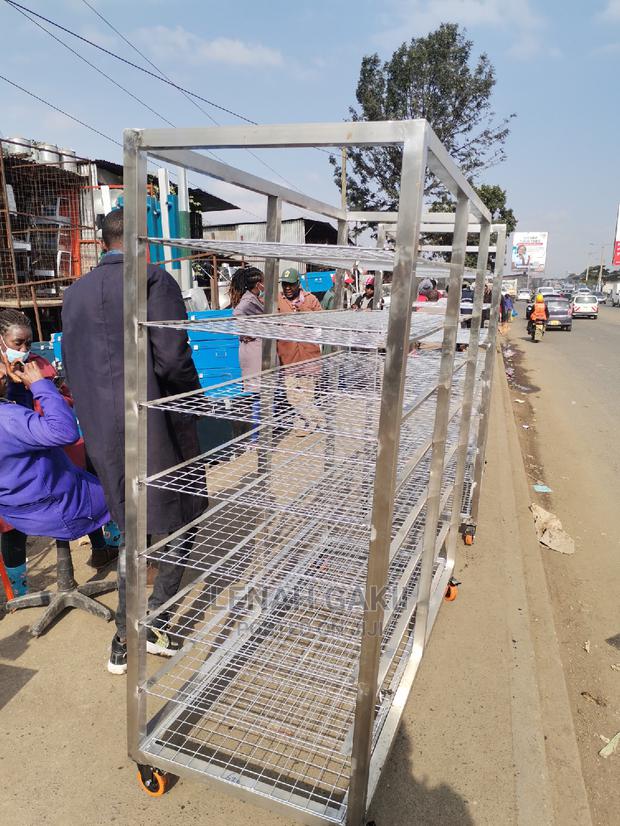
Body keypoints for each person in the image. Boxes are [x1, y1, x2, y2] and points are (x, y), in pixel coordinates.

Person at [61, 208, 205, 675]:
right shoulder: (152, 281)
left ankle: (124, 636)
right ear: (144, 240)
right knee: (182, 517)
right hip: (157, 424)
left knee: (132, 530)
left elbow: (75, 364)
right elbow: (172, 359)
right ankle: (156, 621)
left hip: (104, 431)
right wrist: (195, 402)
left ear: (104, 242)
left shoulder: (75, 293)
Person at [0, 310, 115, 597]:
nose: (24, 351)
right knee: (113, 491)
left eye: (29, 344)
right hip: (39, 474)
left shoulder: (36, 365)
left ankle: (101, 548)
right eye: (18, 343)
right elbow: (60, 428)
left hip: (38, 469)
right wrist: (35, 387)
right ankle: (19, 588)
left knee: (82, 477)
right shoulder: (11, 404)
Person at [277, 267, 322, 436]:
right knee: (292, 395)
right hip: (288, 356)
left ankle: (303, 424)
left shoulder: (310, 300)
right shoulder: (278, 301)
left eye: (291, 285)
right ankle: (318, 419)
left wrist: (304, 310)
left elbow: (323, 321)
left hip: (309, 355)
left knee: (307, 393)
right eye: (284, 284)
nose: (287, 288)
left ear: (298, 284)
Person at [230, 265, 264, 392]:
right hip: (254, 352)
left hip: (258, 351)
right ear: (258, 284)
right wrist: (249, 333)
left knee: (263, 389)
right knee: (258, 391)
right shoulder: (248, 300)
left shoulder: (255, 298)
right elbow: (237, 313)